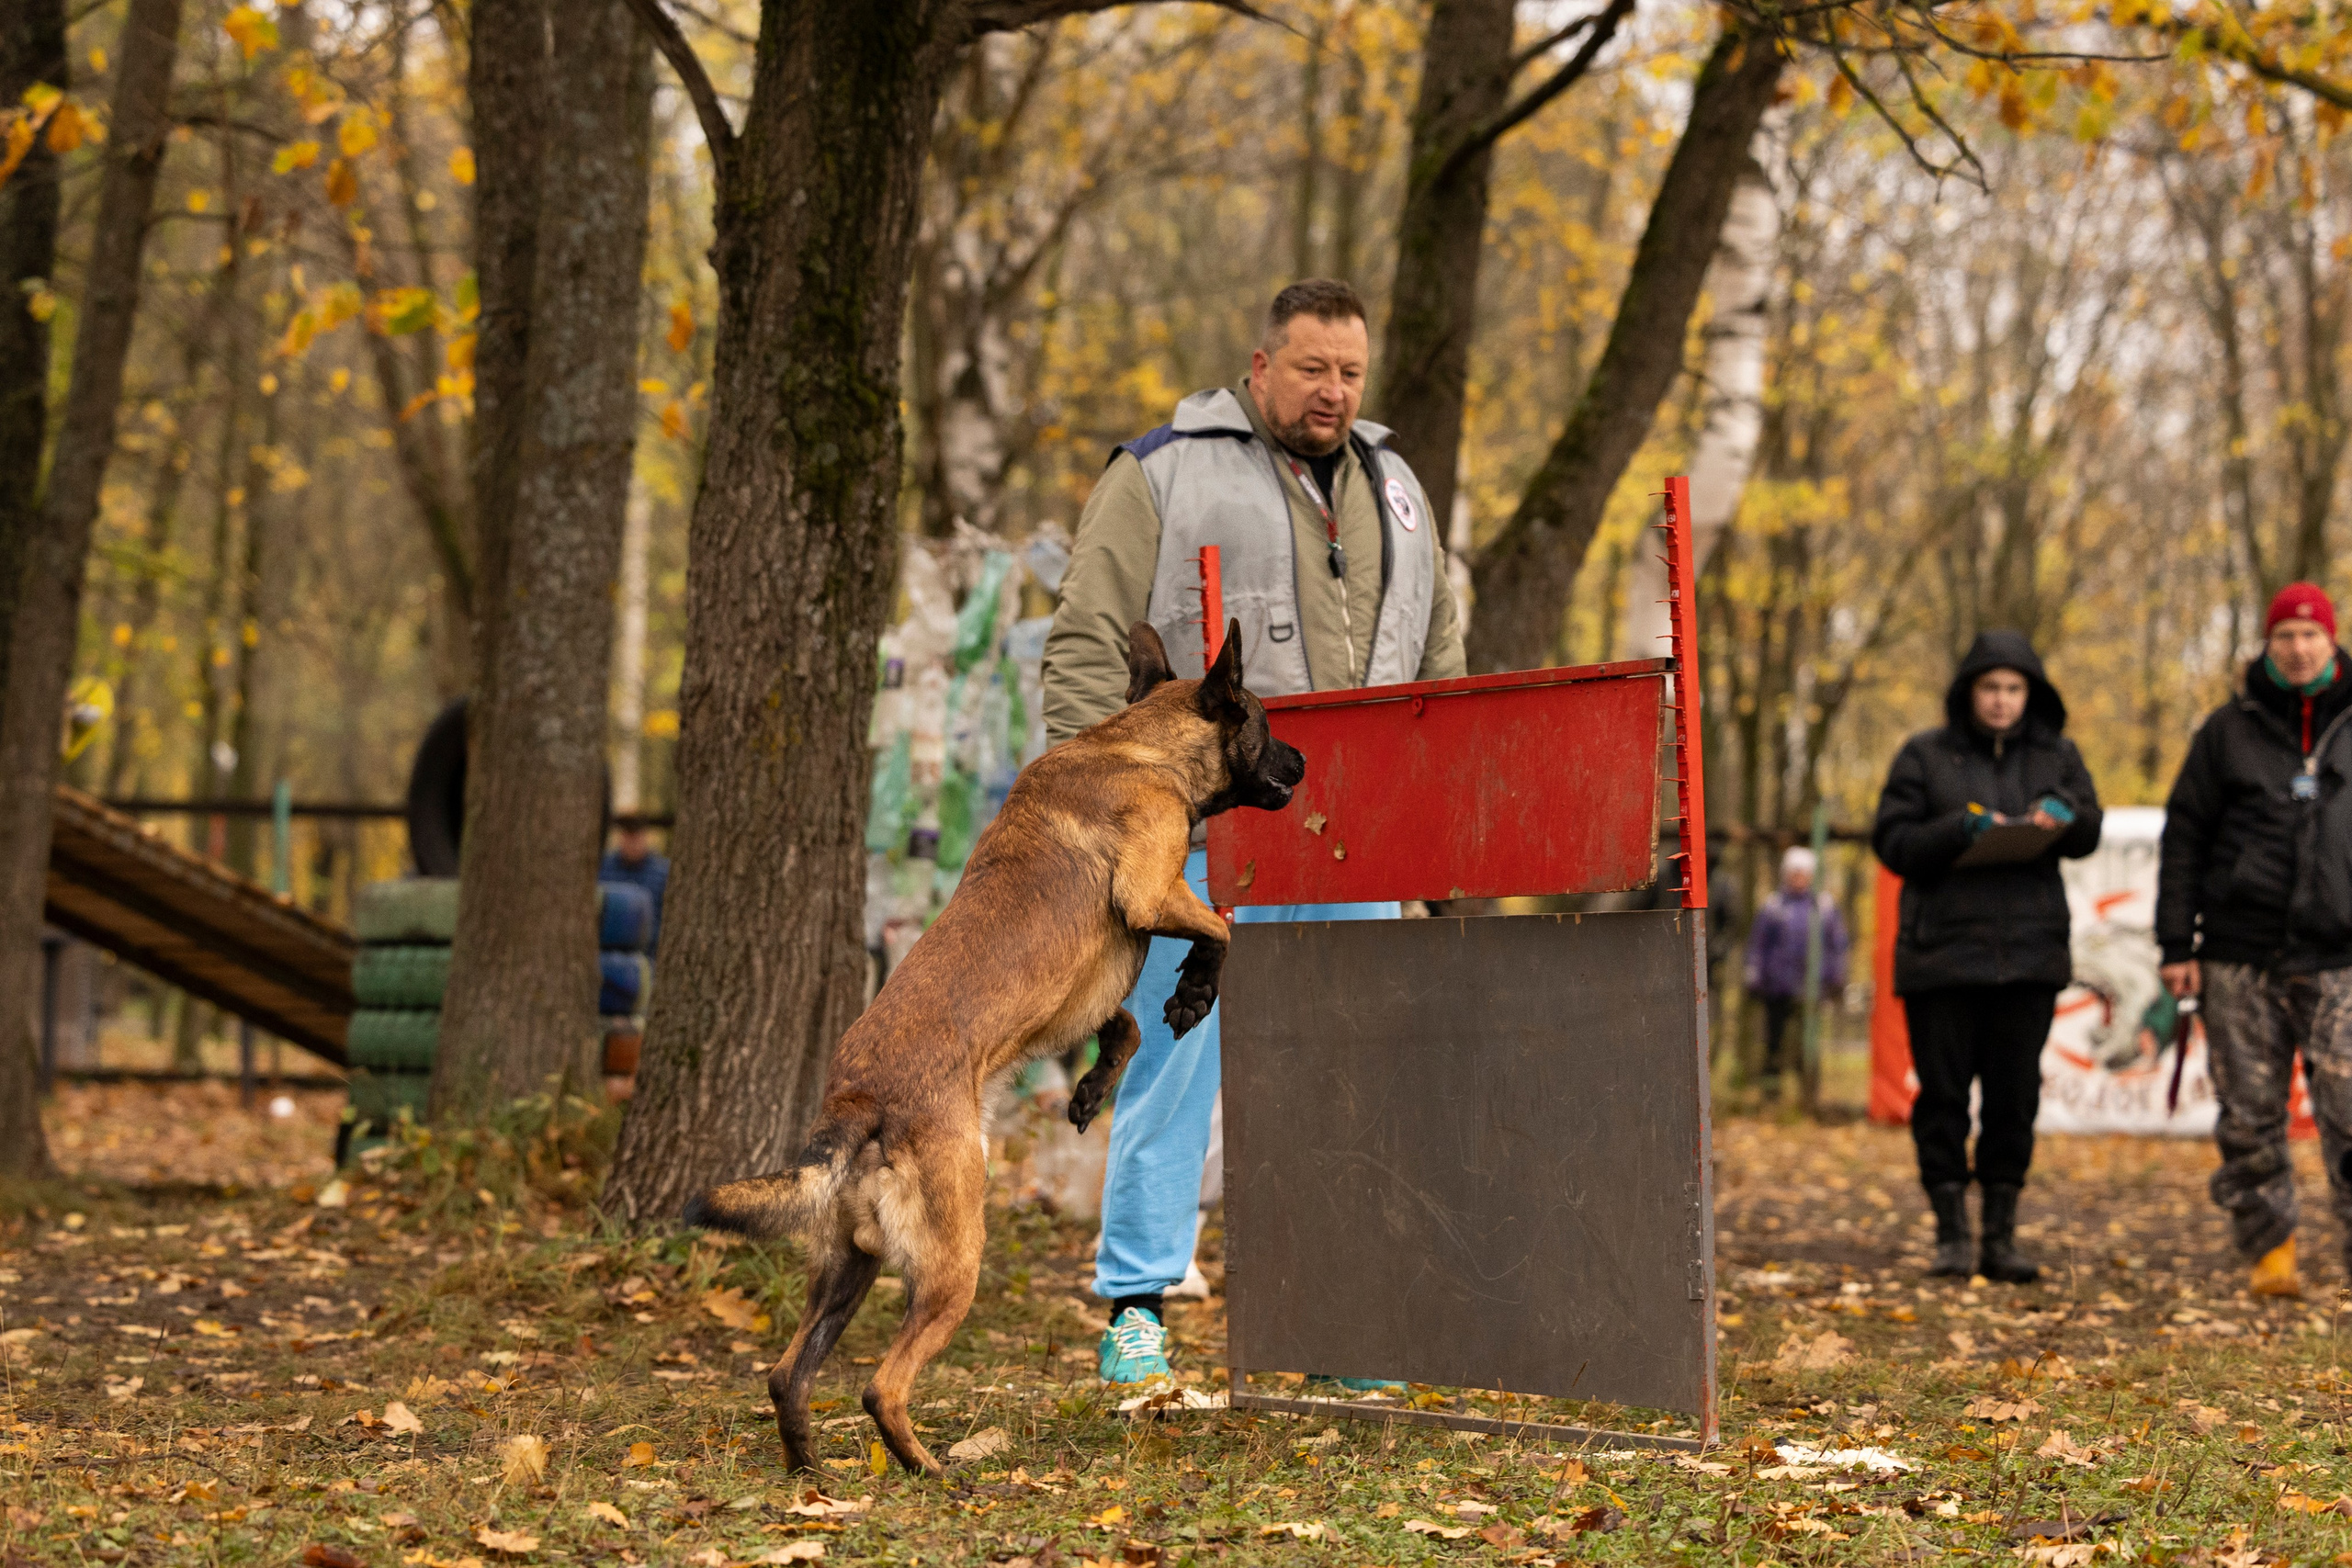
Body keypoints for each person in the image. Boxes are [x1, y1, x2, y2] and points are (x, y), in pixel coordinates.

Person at [1042, 278, 1466, 1386]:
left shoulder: (1396, 487)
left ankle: (1336, 1319)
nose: (1332, 392)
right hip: (1201, 830)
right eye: (1313, 368)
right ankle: (1138, 1307)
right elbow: (1087, 636)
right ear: (1261, 365)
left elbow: (1439, 663)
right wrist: (1098, 819)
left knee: (1348, 1075)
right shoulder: (1162, 470)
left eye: (1350, 373)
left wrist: (1432, 839)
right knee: (1171, 1063)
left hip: (1356, 829)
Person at [1872, 631, 2102, 1282]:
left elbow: (2090, 828)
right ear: (1968, 691)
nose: (2001, 701)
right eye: (1989, 687)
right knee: (1942, 1097)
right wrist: (1955, 830)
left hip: (2028, 959)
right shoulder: (1924, 755)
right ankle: (1951, 1233)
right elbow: (1892, 841)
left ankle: (2000, 1236)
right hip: (1941, 957)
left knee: (2013, 1097)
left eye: (2013, 688)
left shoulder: (2058, 755)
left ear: (2030, 693)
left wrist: (2067, 816)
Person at [2157, 583, 2352, 1301]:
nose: (2298, 649)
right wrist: (2176, 944)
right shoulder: (2225, 731)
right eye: (2285, 637)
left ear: (2331, 640)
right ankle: (2270, 1248)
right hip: (2237, 953)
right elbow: (2184, 839)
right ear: (2266, 646)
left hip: (2341, 957)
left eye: (2310, 635)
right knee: (2248, 1113)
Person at [1743, 846, 1849, 1101]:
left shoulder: (1823, 907)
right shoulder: (1773, 907)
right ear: (1786, 874)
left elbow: (1837, 946)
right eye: (1794, 873)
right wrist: (1754, 975)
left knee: (1808, 1044)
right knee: (1774, 1042)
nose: (1799, 878)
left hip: (1812, 987)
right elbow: (1758, 945)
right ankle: (1771, 1095)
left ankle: (1808, 1098)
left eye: (1804, 873)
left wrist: (1836, 978)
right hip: (1776, 987)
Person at [600, 824, 670, 956]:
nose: (632, 844)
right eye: (628, 838)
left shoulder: (662, 872)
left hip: (650, 953)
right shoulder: (604, 868)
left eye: (637, 838)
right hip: (607, 952)